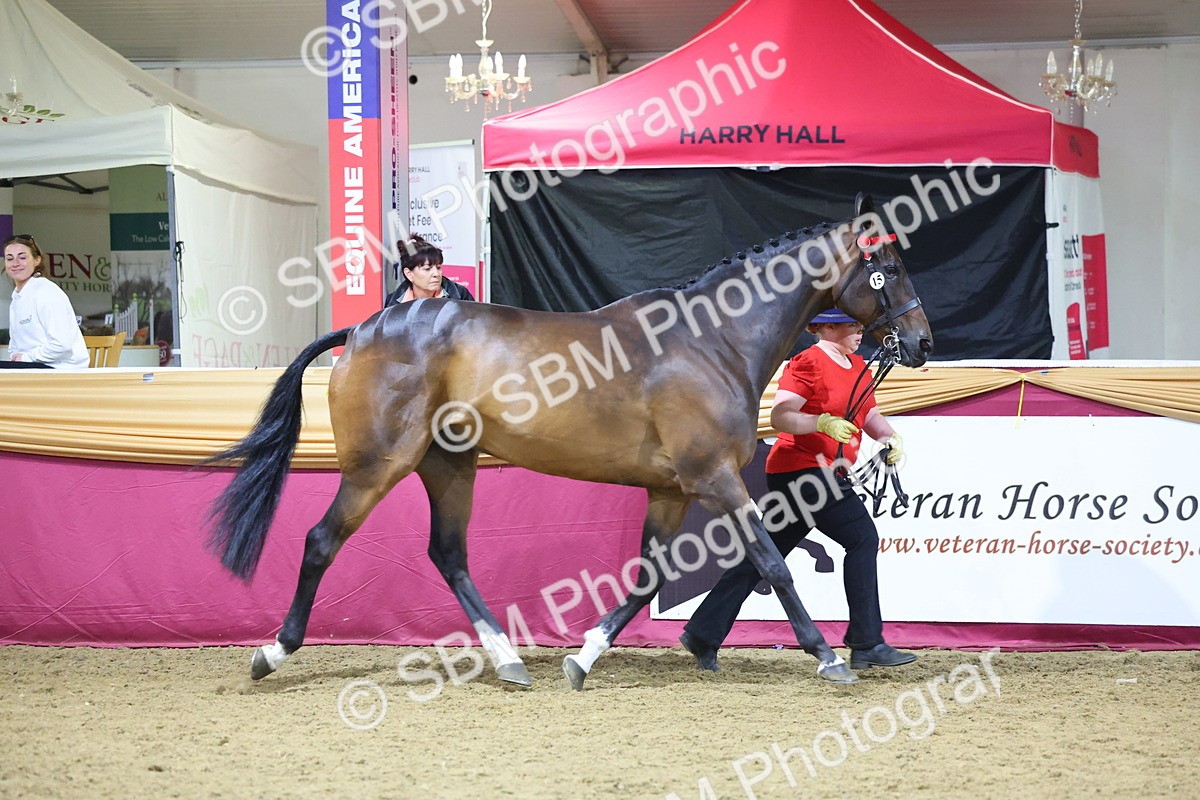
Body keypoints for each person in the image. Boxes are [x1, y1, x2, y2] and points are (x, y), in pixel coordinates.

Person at [680, 308, 915, 673]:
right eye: (852, 325)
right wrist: (821, 422)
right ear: (827, 327)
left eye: (860, 325)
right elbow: (781, 415)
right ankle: (867, 642)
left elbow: (868, 414)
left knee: (765, 556)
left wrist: (889, 437)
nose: (860, 331)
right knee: (862, 538)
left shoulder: (858, 366)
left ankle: (702, 632)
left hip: (818, 471)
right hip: (802, 470)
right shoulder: (807, 362)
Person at [2, 234, 88, 370]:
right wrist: (19, 359)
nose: (15, 263)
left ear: (37, 260)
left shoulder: (46, 292)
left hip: (61, 369)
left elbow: (61, 344)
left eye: (22, 258)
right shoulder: (18, 297)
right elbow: (15, 347)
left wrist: (25, 358)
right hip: (32, 367)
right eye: (9, 259)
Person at [383, 234, 475, 306]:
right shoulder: (393, 303)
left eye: (438, 267)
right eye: (427, 269)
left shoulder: (461, 296)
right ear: (409, 274)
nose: (436, 274)